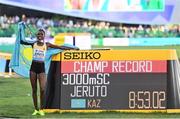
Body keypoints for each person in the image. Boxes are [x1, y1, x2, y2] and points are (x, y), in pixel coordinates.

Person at [20, 25, 78, 116]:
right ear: (36, 35)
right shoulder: (33, 43)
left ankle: (42, 109)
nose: (39, 35)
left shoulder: (47, 45)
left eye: (41, 34)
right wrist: (21, 29)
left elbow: (60, 47)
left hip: (41, 68)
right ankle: (36, 109)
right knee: (34, 89)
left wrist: (72, 48)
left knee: (43, 89)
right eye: (38, 34)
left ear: (44, 36)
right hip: (33, 68)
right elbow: (22, 41)